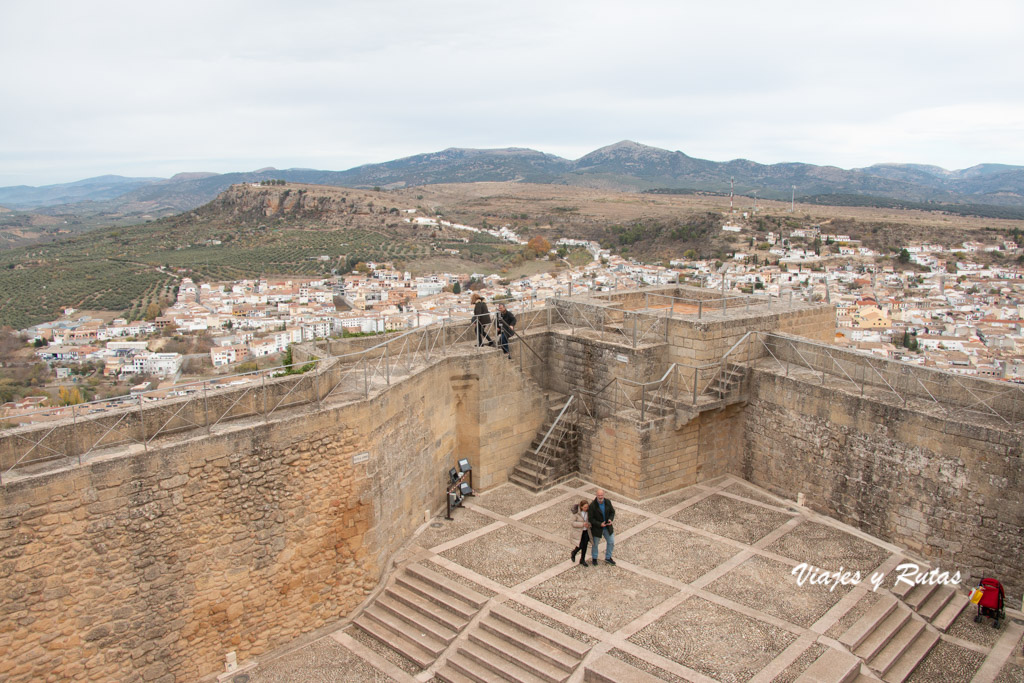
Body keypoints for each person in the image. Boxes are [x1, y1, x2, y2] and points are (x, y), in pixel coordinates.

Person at [587, 488, 615, 565]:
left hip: (607, 527)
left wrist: (610, 519)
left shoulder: (608, 502)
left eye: (601, 495)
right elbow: (591, 518)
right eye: (599, 495)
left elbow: (612, 512)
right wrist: (599, 524)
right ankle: (594, 558)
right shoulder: (592, 505)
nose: (600, 497)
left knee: (611, 542)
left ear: (604, 495)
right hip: (597, 529)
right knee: (595, 544)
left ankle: (608, 558)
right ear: (596, 495)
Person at [569, 500, 591, 567]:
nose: (586, 509)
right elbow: (573, 523)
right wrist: (582, 524)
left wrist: (589, 524)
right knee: (580, 545)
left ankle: (582, 559)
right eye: (584, 507)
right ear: (581, 507)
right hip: (579, 532)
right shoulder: (576, 513)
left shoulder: (588, 512)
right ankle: (574, 552)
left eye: (587, 507)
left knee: (585, 546)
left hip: (586, 531)